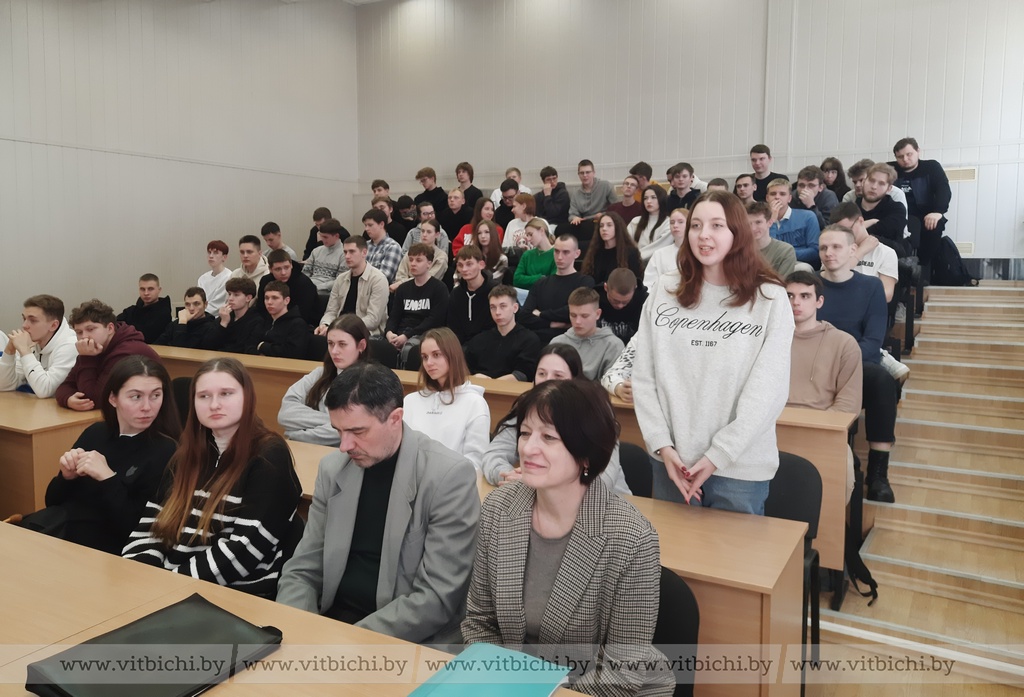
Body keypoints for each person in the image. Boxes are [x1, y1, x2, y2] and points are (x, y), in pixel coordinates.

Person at [463, 379, 666, 697]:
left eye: (548, 437)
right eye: (525, 433)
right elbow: (479, 621)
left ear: (586, 454)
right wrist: (504, 684)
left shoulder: (632, 540)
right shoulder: (499, 508)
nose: (528, 448)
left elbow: (621, 673)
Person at [276, 363, 479, 642]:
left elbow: (434, 599)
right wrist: (299, 629)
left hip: (405, 637)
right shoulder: (333, 469)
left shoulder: (448, 477)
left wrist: (345, 643)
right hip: (330, 624)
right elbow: (302, 570)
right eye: (338, 431)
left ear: (395, 418)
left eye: (357, 431)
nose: (344, 445)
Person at [632, 190, 794, 514]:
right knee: (671, 549)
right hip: (672, 465)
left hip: (738, 470)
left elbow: (768, 391)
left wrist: (719, 454)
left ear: (737, 232)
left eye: (717, 225)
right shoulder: (665, 291)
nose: (703, 235)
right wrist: (661, 444)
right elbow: (644, 377)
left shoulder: (770, 298)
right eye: (696, 225)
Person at [123, 358, 302, 598]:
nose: (214, 404)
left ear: (247, 397)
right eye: (204, 396)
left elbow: (244, 550)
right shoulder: (186, 454)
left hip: (233, 594)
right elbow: (152, 527)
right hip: (169, 586)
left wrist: (170, 585)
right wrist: (139, 575)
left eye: (226, 394)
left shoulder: (269, 456)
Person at [40, 356, 180, 554]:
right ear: (113, 398)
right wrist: (66, 477)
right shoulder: (95, 432)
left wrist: (108, 478)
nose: (147, 407)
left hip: (108, 553)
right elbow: (52, 502)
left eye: (156, 395)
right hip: (64, 537)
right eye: (136, 397)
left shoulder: (166, 450)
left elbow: (138, 529)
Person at [816, 225, 897, 503]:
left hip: (857, 364)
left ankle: (878, 473)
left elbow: (873, 340)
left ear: (853, 250)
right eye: (823, 248)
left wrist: (840, 365)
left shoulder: (871, 286)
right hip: (815, 364)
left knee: (882, 381)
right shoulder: (809, 285)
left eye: (836, 247)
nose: (828, 253)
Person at [481, 344, 631, 494]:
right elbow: (492, 455)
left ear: (574, 380)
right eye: (541, 374)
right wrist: (510, 477)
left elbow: (605, 479)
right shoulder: (529, 408)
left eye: (558, 376)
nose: (547, 381)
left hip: (604, 501)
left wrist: (544, 484)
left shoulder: (595, 413)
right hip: (543, 499)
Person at [785, 271, 862, 502]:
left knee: (832, 492)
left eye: (805, 296)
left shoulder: (844, 343)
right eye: (789, 296)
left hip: (822, 431)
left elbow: (847, 406)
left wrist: (812, 432)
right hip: (772, 428)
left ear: (819, 301)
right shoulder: (768, 338)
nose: (796, 302)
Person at [402, 328, 490, 470]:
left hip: (454, 481)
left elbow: (475, 462)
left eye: (436, 355)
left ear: (452, 355)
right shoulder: (410, 401)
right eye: (425, 357)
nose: (429, 362)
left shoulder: (475, 402)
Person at [279, 315, 372, 446]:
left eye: (342, 344)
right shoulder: (320, 373)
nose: (334, 351)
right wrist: (339, 422)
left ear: (361, 345)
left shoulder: (370, 382)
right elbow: (285, 413)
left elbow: (350, 432)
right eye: (330, 344)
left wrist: (295, 434)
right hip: (309, 450)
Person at [56, 300, 160, 411]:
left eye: (90, 329)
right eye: (79, 332)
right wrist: (68, 399)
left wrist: (87, 357)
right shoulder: (93, 349)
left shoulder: (126, 352)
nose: (84, 337)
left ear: (110, 328)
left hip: (149, 414)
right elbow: (65, 386)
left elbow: (96, 400)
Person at [376, 243, 449, 369]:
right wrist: (389, 333)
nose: (413, 264)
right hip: (401, 333)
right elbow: (394, 316)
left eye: (418, 260)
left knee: (409, 349)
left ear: (429, 263)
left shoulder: (439, 288)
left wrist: (407, 336)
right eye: (411, 260)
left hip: (424, 334)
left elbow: (434, 320)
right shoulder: (403, 288)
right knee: (378, 345)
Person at [890, 137, 952, 279]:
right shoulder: (889, 169)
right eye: (900, 157)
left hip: (925, 214)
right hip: (898, 214)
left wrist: (938, 212)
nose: (905, 159)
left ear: (918, 151)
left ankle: (923, 270)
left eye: (909, 154)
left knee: (934, 227)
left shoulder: (931, 167)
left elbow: (943, 190)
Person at [520, 234, 595, 344]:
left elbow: (574, 311)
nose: (559, 257)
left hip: (570, 342)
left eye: (565, 252)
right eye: (556, 251)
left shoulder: (585, 282)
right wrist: (553, 324)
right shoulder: (540, 283)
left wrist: (541, 314)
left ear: (577, 254)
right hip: (539, 341)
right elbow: (524, 317)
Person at [0, 295, 78, 398]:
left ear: (53, 325)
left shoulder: (70, 346)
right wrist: (10, 350)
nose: (24, 325)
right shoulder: (33, 341)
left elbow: (45, 390)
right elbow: (4, 386)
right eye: (24, 319)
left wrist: (25, 351)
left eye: (33, 320)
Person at [464, 285, 541, 381]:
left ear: (515, 308)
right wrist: (475, 377)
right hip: (478, 387)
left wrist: (493, 383)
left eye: (503, 306)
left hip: (512, 389)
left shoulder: (529, 340)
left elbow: (524, 373)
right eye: (493, 307)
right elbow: (465, 368)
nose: (497, 312)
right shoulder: (478, 340)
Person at [318, 235, 390, 337]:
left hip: (365, 333)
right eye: (345, 252)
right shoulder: (340, 279)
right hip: (339, 329)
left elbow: (373, 320)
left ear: (364, 253)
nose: (347, 256)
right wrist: (325, 325)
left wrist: (340, 328)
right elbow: (331, 311)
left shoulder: (378, 279)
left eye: (352, 252)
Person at [550, 287, 624, 381]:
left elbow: (612, 383)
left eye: (584, 316)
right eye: (573, 315)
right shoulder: (557, 343)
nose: (577, 321)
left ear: (598, 314)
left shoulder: (613, 346)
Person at [857, 163, 910, 258]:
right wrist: (872, 222)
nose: (874, 187)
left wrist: (856, 231)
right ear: (863, 182)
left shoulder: (897, 208)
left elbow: (849, 234)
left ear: (889, 188)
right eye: (871, 181)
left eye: (881, 183)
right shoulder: (849, 208)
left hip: (887, 258)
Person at [447, 246, 497, 344]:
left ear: (481, 265)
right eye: (460, 265)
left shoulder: (495, 292)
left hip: (489, 345)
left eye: (469, 264)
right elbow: (453, 327)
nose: (464, 269)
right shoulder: (455, 294)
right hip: (461, 346)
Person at [202, 277, 266, 353]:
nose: (230, 298)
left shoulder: (256, 321)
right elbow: (208, 344)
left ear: (248, 298)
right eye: (229, 294)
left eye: (236, 295)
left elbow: (246, 347)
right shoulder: (224, 316)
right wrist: (223, 324)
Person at [766, 178, 821, 266]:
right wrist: (772, 221)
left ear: (789, 198)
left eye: (782, 194)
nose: (777, 197)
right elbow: (768, 250)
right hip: (771, 264)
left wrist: (786, 253)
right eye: (773, 194)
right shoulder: (761, 220)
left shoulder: (808, 216)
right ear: (767, 198)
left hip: (800, 264)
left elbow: (815, 251)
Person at [256, 249, 319, 325]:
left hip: (303, 324)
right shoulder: (265, 281)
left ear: (291, 265)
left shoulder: (304, 283)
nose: (283, 273)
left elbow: (304, 313)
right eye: (278, 269)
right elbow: (261, 308)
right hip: (271, 322)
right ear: (270, 269)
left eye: (286, 267)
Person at [580, 211, 642, 287]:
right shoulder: (594, 251)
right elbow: (587, 277)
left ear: (617, 228)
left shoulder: (630, 252)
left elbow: (636, 281)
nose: (604, 229)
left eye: (609, 225)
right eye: (601, 226)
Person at [251, 282, 310, 359]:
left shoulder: (297, 324)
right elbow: (250, 345)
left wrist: (262, 346)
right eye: (266, 298)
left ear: (286, 301)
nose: (269, 302)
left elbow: (291, 353)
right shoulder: (263, 320)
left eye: (275, 298)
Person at [391, 219, 449, 290]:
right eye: (422, 231)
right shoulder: (412, 251)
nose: (424, 235)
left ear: (437, 234)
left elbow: (428, 279)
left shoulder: (441, 256)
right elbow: (400, 274)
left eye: (429, 232)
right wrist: (402, 284)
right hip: (404, 289)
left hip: (427, 290)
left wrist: (401, 283)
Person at [153, 287, 217, 348]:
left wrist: (182, 324)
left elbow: (181, 350)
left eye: (196, 304)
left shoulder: (212, 327)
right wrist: (181, 323)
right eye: (187, 304)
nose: (191, 308)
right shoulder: (175, 324)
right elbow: (157, 346)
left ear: (205, 304)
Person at [747, 201, 797, 278]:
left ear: (770, 222)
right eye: (748, 224)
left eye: (758, 222)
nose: (753, 228)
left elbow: (783, 282)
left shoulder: (785, 251)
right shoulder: (738, 250)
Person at [117, 274, 172, 343]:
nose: (146, 293)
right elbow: (114, 324)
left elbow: (146, 336)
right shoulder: (132, 310)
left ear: (159, 290)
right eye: (142, 289)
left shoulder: (164, 313)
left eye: (150, 289)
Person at [598, 268, 648, 344]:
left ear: (635, 289)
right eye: (615, 300)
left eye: (625, 302)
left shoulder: (645, 302)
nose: (620, 306)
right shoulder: (594, 299)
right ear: (606, 287)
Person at [643, 207, 688, 290]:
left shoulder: (697, 253)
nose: (675, 225)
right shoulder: (659, 254)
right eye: (672, 222)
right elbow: (648, 284)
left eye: (680, 222)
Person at [302, 219, 350, 294]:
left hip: (327, 291)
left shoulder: (344, 254)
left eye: (325, 237)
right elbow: (305, 273)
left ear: (336, 236)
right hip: (310, 287)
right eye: (321, 236)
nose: (322, 239)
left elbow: (340, 281)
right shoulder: (316, 251)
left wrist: (317, 287)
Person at [568, 159, 617, 232]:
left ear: (593, 173)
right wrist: (575, 218)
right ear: (578, 175)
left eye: (588, 172)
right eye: (582, 173)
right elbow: (572, 214)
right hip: (584, 223)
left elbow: (616, 208)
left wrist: (604, 214)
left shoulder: (606, 185)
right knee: (560, 229)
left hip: (603, 221)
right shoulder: (576, 194)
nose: (585, 175)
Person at [628, 185, 672, 261]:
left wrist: (636, 256)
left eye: (653, 197)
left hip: (658, 262)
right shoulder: (635, 221)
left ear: (661, 199)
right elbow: (626, 242)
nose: (648, 201)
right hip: (635, 262)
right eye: (645, 198)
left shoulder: (669, 223)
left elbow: (660, 246)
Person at [791, 165, 840, 229]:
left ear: (820, 187)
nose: (805, 189)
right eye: (801, 185)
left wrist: (811, 206)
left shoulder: (829, 197)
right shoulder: (792, 197)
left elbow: (828, 227)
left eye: (811, 186)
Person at [512, 218, 556, 290]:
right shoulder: (527, 255)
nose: (528, 239)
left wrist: (528, 280)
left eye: (530, 234)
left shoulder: (556, 253)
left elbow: (552, 282)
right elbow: (516, 279)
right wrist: (540, 278)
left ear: (542, 231)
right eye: (527, 235)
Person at [364, 208, 405, 284]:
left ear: (381, 224)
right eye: (365, 225)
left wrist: (362, 276)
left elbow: (385, 276)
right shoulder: (364, 245)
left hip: (379, 289)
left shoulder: (393, 247)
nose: (366, 229)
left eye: (370, 225)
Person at [197, 240, 233, 314]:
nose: (211, 256)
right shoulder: (202, 278)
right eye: (209, 252)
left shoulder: (229, 277)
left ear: (224, 257)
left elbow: (217, 305)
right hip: (200, 314)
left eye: (215, 253)